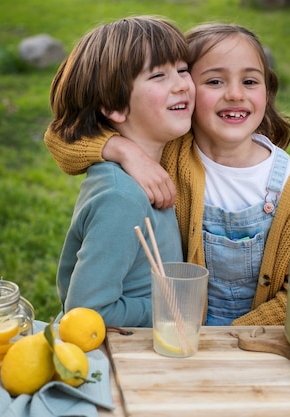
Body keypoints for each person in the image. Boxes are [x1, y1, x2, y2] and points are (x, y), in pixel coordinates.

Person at [44, 23, 290, 326]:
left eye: (250, 81)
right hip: (173, 339)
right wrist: (123, 150)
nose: (236, 93)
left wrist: (226, 343)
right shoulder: (172, 152)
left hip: (247, 345)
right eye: (213, 81)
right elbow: (63, 137)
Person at [49, 16, 195, 327]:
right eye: (158, 76)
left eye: (183, 70)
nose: (182, 83)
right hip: (123, 361)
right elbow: (87, 313)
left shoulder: (166, 153)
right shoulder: (122, 198)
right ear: (114, 107)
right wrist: (169, 310)